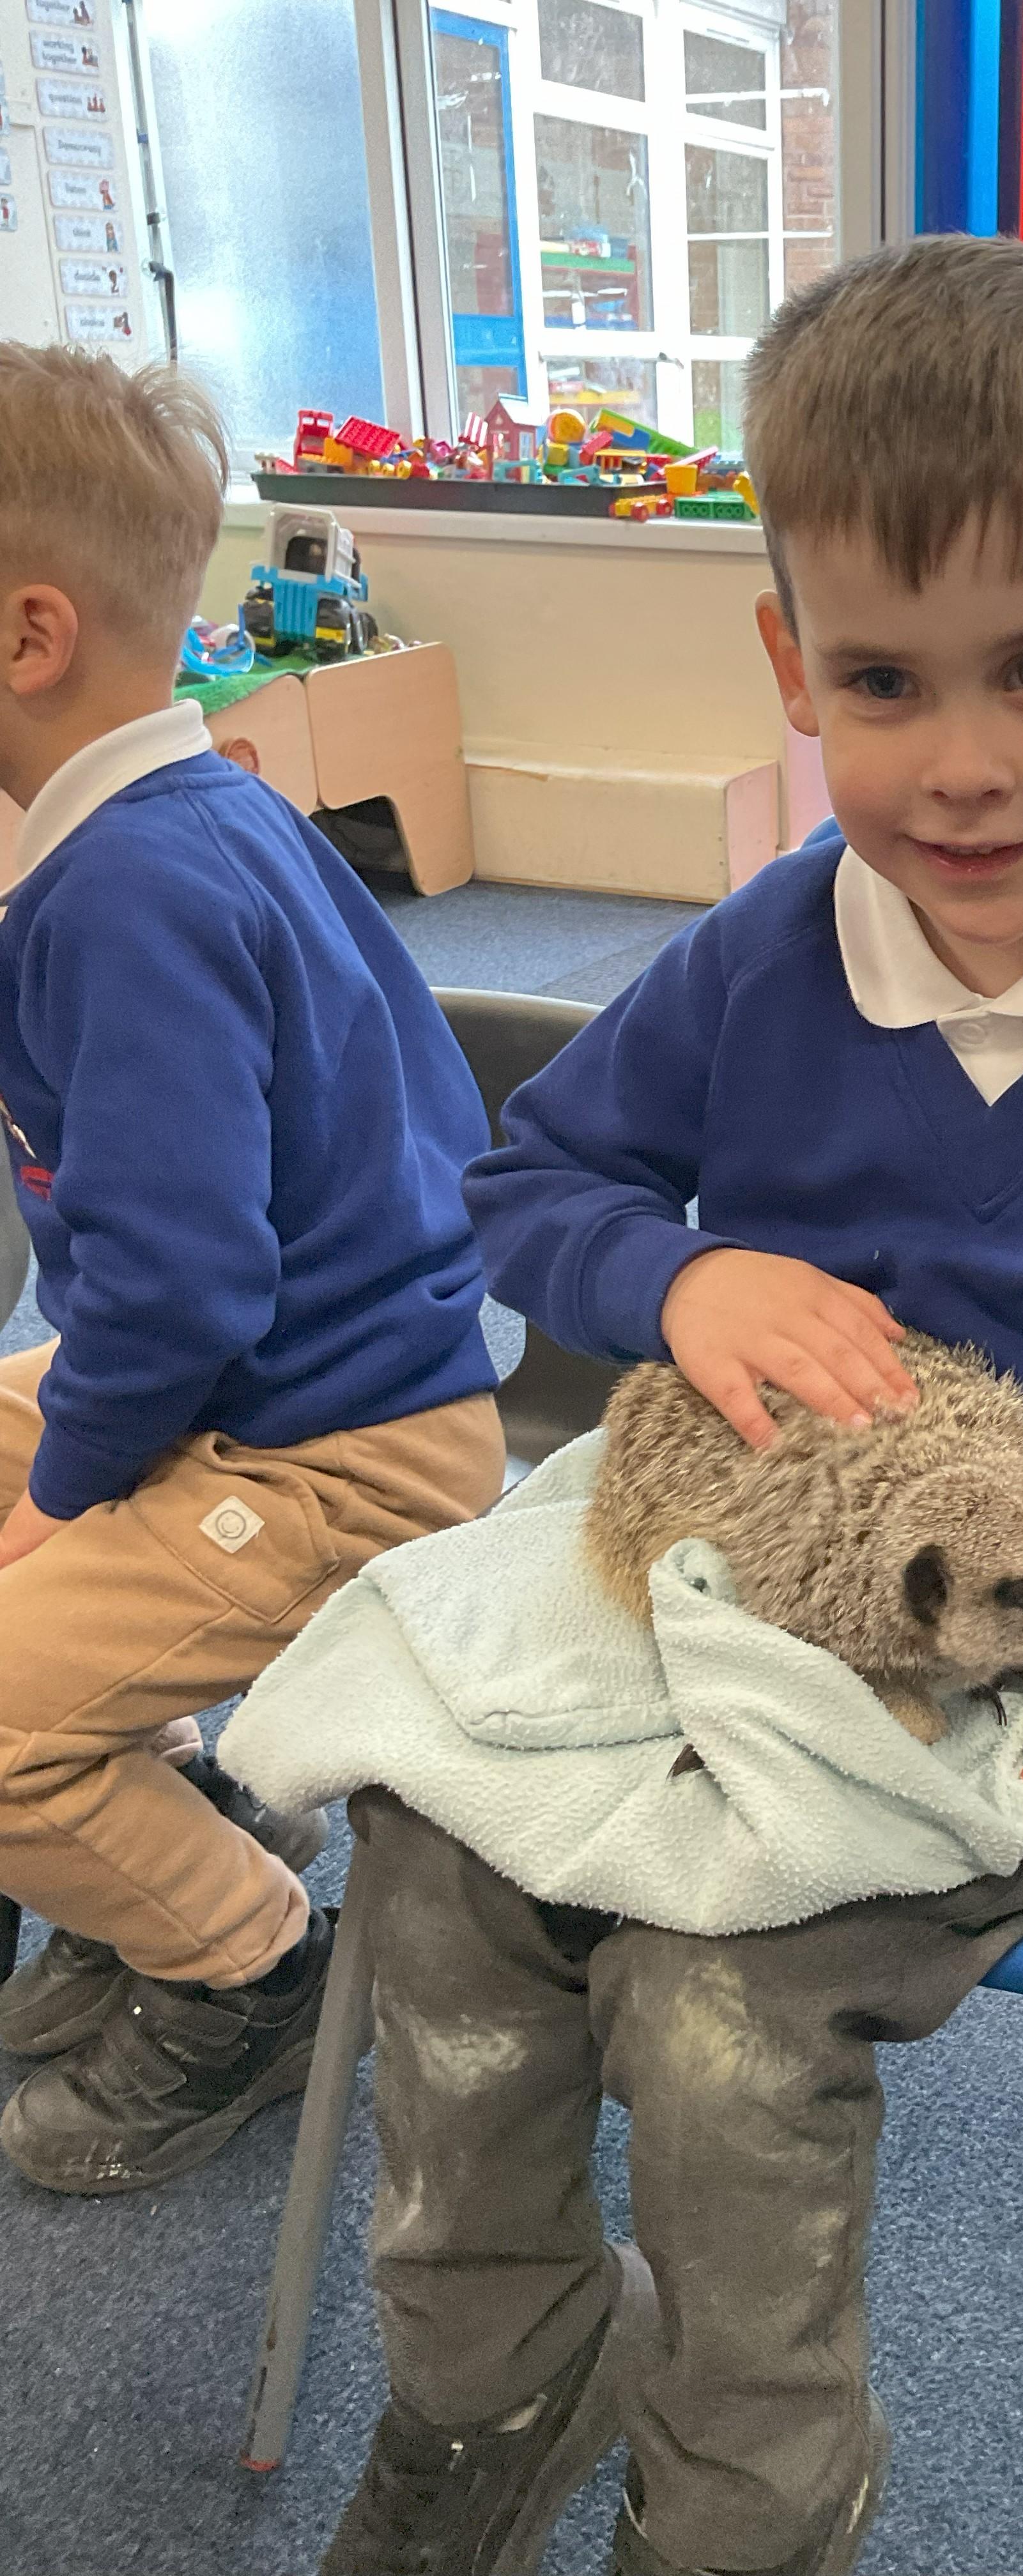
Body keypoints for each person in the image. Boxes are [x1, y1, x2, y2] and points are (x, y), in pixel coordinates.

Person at [319, 233, 1023, 2576]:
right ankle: (495, 2383)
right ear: (794, 671)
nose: (960, 767)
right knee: (432, 1871)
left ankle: (757, 2498)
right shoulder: (763, 954)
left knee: (720, 2011)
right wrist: (685, 1270)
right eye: (882, 682)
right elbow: (526, 1189)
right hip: (726, 1568)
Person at [0, 345, 505, 2193]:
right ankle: (170, 1808)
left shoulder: (132, 892)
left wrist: (68, 1495)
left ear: (28, 635)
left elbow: (180, 1294)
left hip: (333, 1453)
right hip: (256, 1383)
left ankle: (248, 1970)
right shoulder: (191, 815)